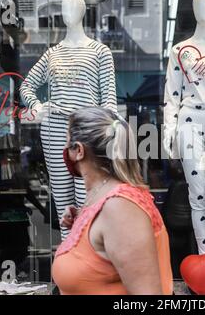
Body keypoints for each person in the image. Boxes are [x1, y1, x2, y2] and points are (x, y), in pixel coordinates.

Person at [52, 107, 173, 295]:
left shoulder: (120, 207)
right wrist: (82, 225)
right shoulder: (102, 199)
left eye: (67, 143)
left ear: (79, 151)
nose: (64, 150)